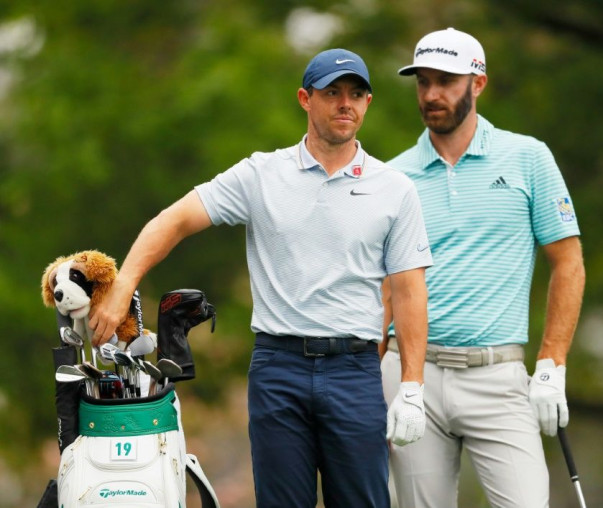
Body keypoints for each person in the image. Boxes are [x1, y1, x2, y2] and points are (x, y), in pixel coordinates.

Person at [89, 48, 432, 508]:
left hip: (354, 370)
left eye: (356, 94)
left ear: (368, 103)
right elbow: (173, 221)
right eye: (332, 93)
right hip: (279, 367)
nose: (345, 103)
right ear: (305, 99)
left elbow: (410, 292)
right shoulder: (261, 174)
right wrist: (123, 286)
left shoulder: (394, 189)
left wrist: (412, 386)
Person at [380, 28, 586, 508]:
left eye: (446, 81)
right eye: (423, 82)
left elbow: (568, 262)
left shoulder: (528, 158)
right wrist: (372, 383)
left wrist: (552, 364)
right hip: (413, 378)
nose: (432, 95)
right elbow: (384, 292)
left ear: (478, 83)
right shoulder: (391, 177)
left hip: (498, 377)